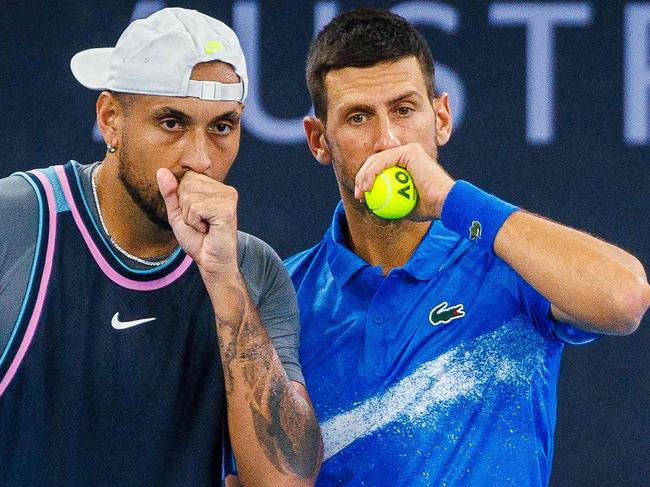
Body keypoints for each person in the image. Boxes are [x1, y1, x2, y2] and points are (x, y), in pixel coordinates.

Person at [284, 8, 650, 486]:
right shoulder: (280, 298)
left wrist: (452, 199)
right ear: (318, 141)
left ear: (441, 118)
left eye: (404, 109)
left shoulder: (512, 260)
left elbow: (625, 299)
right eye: (358, 117)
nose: (388, 140)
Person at [0, 8, 321, 487]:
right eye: (172, 123)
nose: (200, 159)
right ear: (111, 119)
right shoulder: (16, 220)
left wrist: (224, 284)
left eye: (222, 127)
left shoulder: (250, 269)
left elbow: (285, 482)